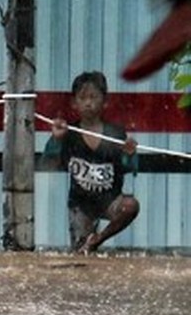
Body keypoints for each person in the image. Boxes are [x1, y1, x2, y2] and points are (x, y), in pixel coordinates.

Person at [43, 71, 140, 253]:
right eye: (83, 98)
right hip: (81, 204)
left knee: (130, 206)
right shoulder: (69, 133)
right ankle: (90, 244)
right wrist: (56, 139)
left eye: (94, 97)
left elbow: (130, 168)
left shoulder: (115, 134)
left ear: (105, 102)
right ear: (74, 103)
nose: (88, 103)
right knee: (81, 253)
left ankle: (99, 238)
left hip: (110, 200)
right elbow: (48, 162)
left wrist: (129, 154)